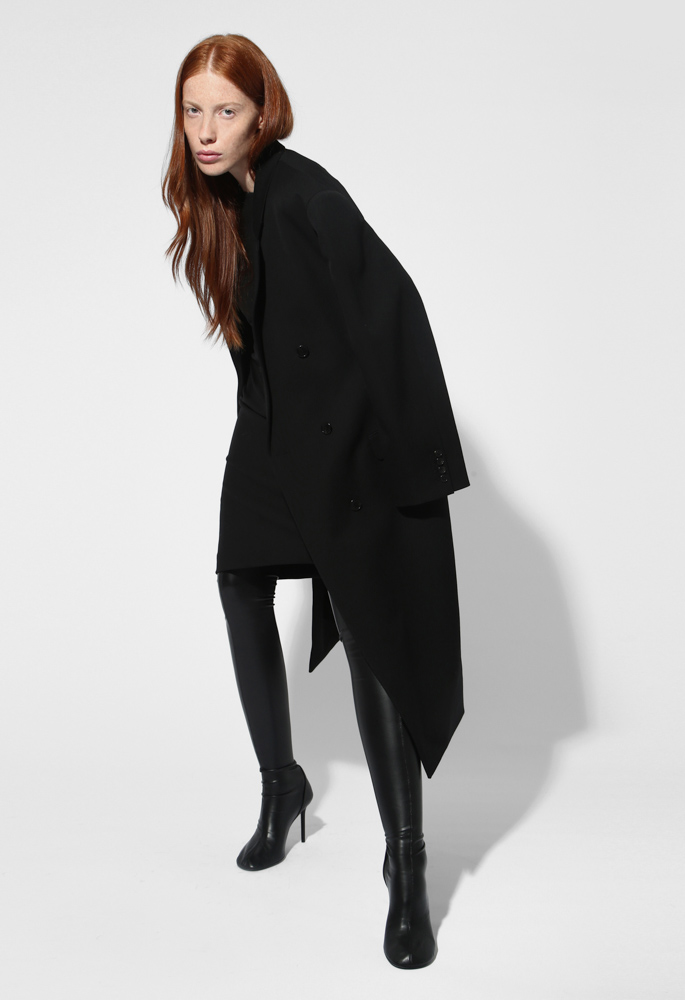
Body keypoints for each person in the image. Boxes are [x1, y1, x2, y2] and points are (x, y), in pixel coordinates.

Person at [163, 34, 469, 969]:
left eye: (225, 110)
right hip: (270, 432)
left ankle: (407, 863)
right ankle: (282, 787)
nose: (207, 130)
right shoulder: (219, 199)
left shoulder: (308, 194)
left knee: (367, 619)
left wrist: (416, 465)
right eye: (192, 110)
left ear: (263, 113)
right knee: (238, 581)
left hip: (344, 440)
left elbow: (397, 311)